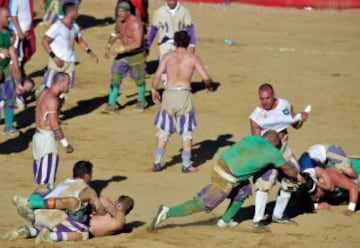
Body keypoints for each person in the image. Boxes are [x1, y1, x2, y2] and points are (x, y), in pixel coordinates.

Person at [150, 130, 305, 230]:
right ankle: (167, 212)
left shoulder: (251, 138)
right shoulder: (273, 152)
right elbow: (287, 168)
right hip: (226, 177)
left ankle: (225, 221)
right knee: (204, 203)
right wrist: (298, 177)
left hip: (220, 164)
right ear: (274, 143)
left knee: (244, 190)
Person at [248, 83, 310, 228]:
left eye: (268, 98)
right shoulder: (255, 117)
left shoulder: (285, 105)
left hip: (284, 149)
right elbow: (257, 143)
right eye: (262, 99)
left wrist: (301, 119)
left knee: (292, 179)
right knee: (264, 183)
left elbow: (295, 125)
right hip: (267, 152)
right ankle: (257, 220)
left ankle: (278, 215)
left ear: (273, 95)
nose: (265, 102)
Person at [150, 30, 213, 173]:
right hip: (184, 95)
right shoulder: (192, 58)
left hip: (169, 94)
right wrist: (209, 87)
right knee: (186, 132)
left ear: (175, 42)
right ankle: (186, 164)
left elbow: (157, 76)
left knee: (164, 131)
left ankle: (157, 162)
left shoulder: (168, 57)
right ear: (188, 42)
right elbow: (206, 77)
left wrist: (154, 90)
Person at [41, 2, 98, 107]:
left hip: (70, 63)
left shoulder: (75, 27)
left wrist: (90, 53)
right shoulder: (57, 26)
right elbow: (44, 41)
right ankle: (43, 111)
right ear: (70, 12)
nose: (78, 13)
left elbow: (80, 41)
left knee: (64, 91)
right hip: (56, 62)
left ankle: (56, 113)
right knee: (48, 88)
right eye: (76, 10)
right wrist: (54, 57)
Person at [103, 1, 147, 113]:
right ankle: (111, 104)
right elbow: (115, 34)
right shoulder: (119, 21)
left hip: (136, 55)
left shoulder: (136, 24)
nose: (119, 13)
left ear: (128, 12)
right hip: (123, 55)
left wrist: (122, 49)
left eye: (122, 11)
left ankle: (141, 101)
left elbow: (138, 43)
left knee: (139, 80)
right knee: (115, 77)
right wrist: (108, 46)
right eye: (118, 11)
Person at [32, 72, 73, 187]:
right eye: (68, 83)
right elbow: (54, 124)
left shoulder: (43, 93)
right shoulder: (52, 100)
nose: (69, 86)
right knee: (46, 184)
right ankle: (33, 203)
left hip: (37, 137)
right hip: (47, 140)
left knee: (40, 179)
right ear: (60, 83)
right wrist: (65, 144)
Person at [298, 144, 360, 216]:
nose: (317, 200)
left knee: (350, 174)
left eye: (316, 196)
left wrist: (350, 209)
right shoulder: (309, 186)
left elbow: (354, 188)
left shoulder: (330, 175)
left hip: (353, 173)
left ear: (317, 187)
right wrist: (317, 206)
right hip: (317, 157)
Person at [145, 0, 196, 84]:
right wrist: (147, 45)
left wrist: (192, 44)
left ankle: (177, 83)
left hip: (180, 43)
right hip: (165, 42)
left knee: (179, 64)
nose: (171, 2)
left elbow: (190, 28)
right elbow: (153, 30)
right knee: (165, 62)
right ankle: (166, 83)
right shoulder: (159, 12)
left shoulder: (184, 11)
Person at [0, 7, 22, 136]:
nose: (9, 19)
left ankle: (8, 126)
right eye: (6, 17)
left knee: (10, 97)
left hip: (5, 69)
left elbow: (10, 49)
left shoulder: (9, 32)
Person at [9, 0, 36, 77]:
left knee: (20, 56)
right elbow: (13, 16)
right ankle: (14, 79)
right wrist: (19, 31)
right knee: (13, 59)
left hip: (24, 32)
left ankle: (17, 77)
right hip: (18, 32)